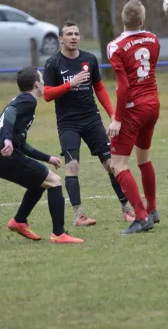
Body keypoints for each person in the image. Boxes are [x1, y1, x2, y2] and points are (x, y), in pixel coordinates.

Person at [43, 21, 135, 226]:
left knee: (111, 164)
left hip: (92, 119)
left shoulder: (89, 59)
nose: (74, 37)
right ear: (60, 39)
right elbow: (47, 95)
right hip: (68, 123)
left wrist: (112, 114)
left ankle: (127, 209)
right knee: (72, 166)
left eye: (76, 33)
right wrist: (70, 84)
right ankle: (78, 216)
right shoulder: (53, 63)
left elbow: (99, 88)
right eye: (69, 34)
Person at [0, 66, 84, 244]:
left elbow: (21, 144)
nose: (44, 82)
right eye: (42, 79)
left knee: (39, 182)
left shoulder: (23, 100)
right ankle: (59, 234)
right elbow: (10, 112)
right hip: (3, 153)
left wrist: (47, 158)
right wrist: (7, 139)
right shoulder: (28, 100)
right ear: (37, 84)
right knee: (54, 181)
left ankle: (19, 221)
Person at [106, 0, 161, 234]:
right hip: (153, 105)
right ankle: (153, 209)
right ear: (142, 19)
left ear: (123, 18)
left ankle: (141, 217)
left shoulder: (115, 46)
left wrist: (117, 118)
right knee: (144, 159)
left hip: (133, 109)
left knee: (117, 164)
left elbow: (123, 87)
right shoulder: (154, 40)